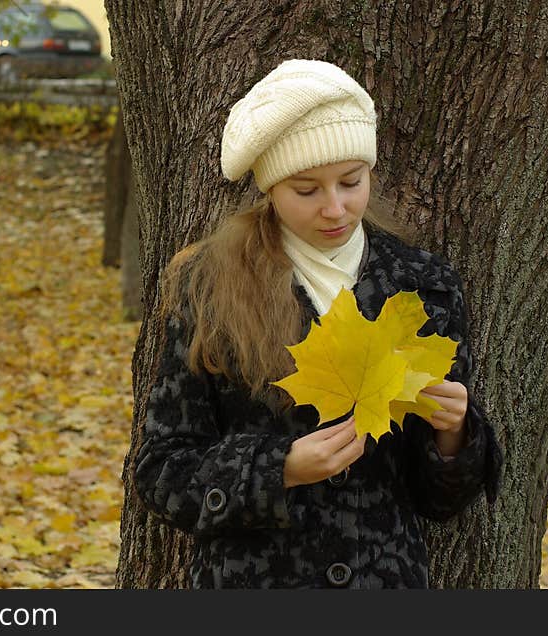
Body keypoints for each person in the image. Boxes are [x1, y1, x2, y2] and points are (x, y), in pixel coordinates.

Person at [132, 59, 504, 589]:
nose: (335, 208)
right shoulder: (210, 288)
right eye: (307, 190)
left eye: (352, 182)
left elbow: (442, 501)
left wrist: (454, 435)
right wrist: (277, 468)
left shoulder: (422, 285)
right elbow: (162, 469)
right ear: (271, 190)